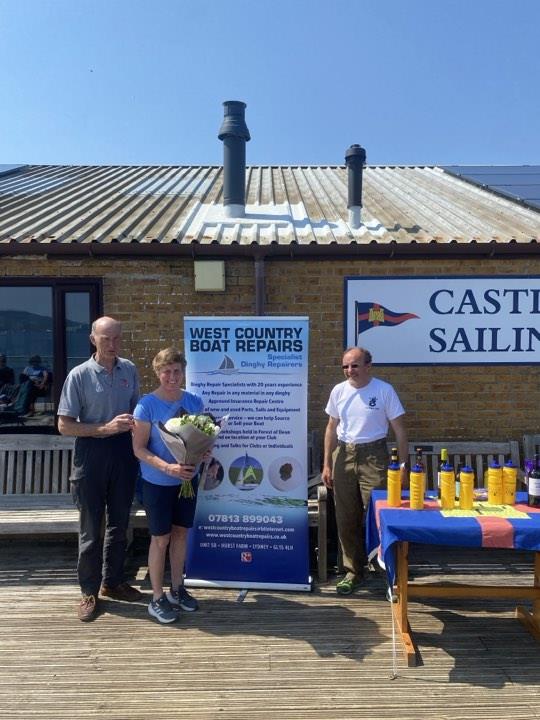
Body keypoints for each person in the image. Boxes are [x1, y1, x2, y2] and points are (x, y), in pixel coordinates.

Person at [57, 316, 141, 622]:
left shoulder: (129, 369)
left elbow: (137, 410)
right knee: (92, 528)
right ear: (93, 339)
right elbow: (64, 425)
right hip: (91, 453)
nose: (112, 344)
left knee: (120, 524)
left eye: (117, 338)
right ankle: (88, 591)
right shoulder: (79, 375)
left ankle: (113, 582)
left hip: (123, 453)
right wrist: (104, 428)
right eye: (106, 339)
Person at [322, 346, 408, 595]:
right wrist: (327, 463)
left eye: (355, 365)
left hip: (375, 456)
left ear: (368, 366)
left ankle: (385, 568)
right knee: (346, 516)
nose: (350, 371)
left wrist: (403, 466)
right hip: (344, 456)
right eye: (346, 366)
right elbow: (330, 427)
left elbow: (400, 430)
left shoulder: (384, 390)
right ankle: (353, 570)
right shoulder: (338, 391)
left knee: (380, 514)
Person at [132, 347, 205, 624]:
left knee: (181, 535)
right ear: (158, 373)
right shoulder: (146, 405)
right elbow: (138, 449)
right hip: (158, 482)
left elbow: (200, 440)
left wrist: (203, 453)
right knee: (160, 539)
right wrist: (167, 467)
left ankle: (177, 589)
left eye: (177, 371)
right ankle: (157, 598)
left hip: (187, 480)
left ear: (183, 372)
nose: (172, 376)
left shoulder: (195, 402)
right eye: (167, 371)